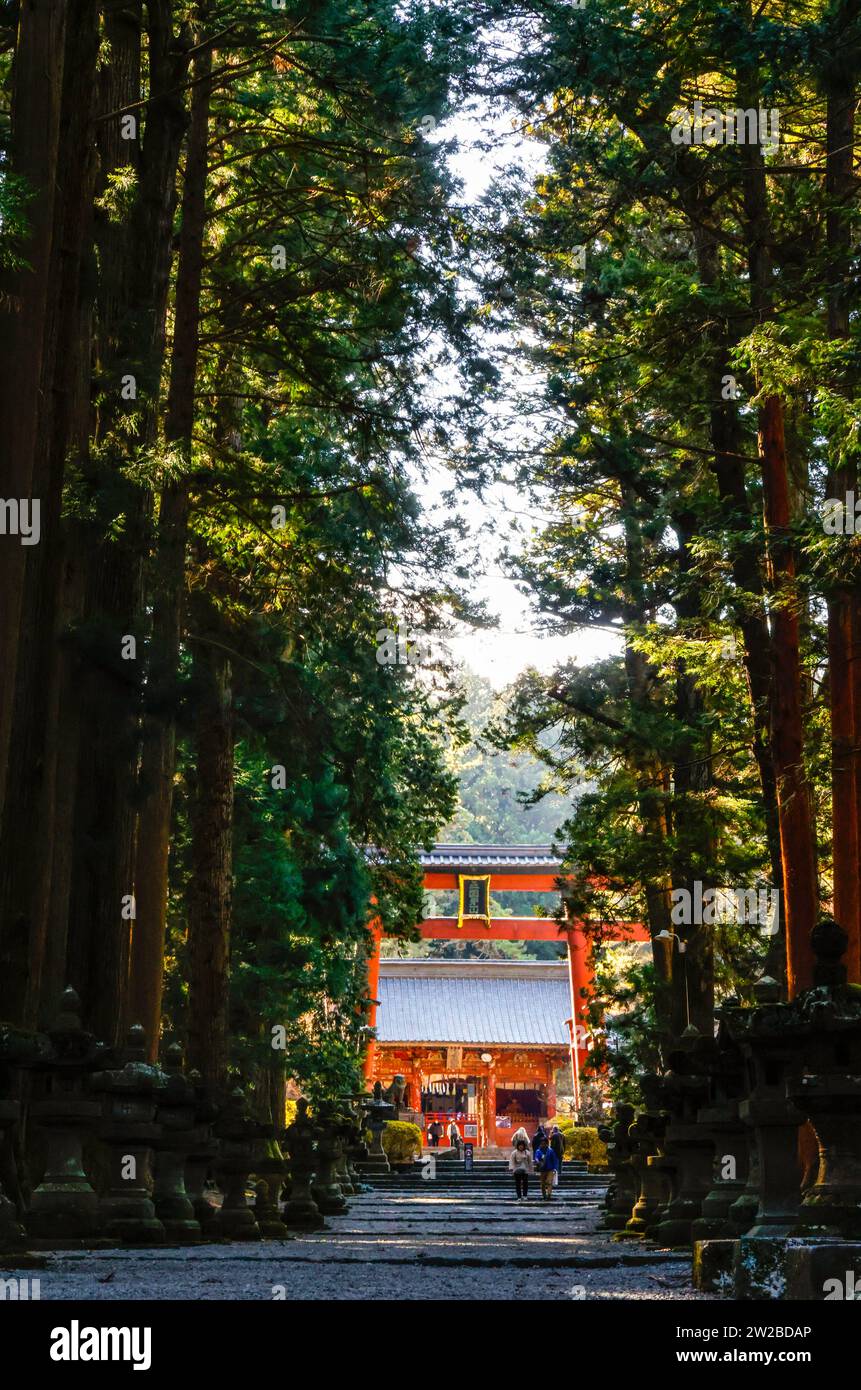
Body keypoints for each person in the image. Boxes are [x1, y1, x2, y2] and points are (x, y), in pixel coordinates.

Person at [534, 1134, 560, 1200]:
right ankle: (544, 1195)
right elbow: (536, 1157)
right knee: (542, 1184)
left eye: (544, 1143)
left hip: (550, 1169)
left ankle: (549, 1195)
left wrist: (555, 1169)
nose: (543, 1145)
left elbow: (555, 1160)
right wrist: (537, 1161)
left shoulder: (551, 1151)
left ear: (547, 1144)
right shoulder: (538, 1151)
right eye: (541, 1143)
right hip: (542, 1169)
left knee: (549, 1182)